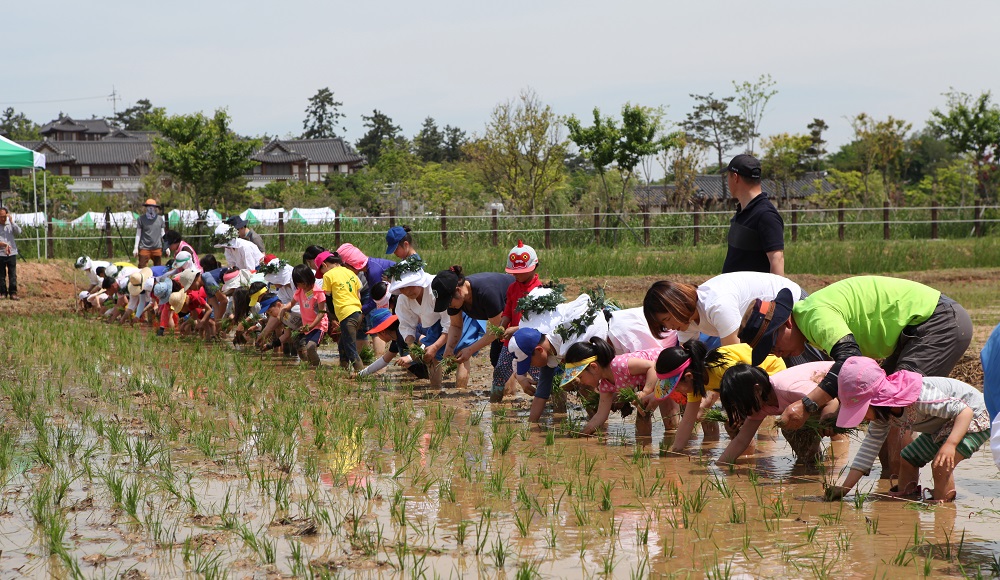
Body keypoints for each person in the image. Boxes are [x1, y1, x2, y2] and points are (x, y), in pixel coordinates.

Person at [738, 276, 973, 477]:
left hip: (936, 322)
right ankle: (889, 481)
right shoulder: (810, 323)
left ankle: (901, 486)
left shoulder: (814, 316)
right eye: (769, 352)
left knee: (895, 406)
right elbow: (852, 369)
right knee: (882, 409)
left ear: (787, 322)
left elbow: (849, 359)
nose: (777, 353)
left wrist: (808, 404)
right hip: (913, 331)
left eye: (773, 344)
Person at [824, 357, 990, 504]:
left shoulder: (919, 398)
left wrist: (950, 444)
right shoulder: (882, 415)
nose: (860, 418)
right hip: (943, 425)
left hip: (974, 416)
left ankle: (944, 509)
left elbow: (964, 412)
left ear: (876, 400)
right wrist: (845, 488)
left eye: (859, 410)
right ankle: (906, 501)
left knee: (940, 465)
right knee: (909, 458)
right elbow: (868, 450)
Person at [648, 339, 786, 453]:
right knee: (734, 423)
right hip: (749, 388)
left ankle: (746, 461)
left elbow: (748, 385)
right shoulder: (696, 380)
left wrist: (740, 412)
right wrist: (676, 451)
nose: (676, 391)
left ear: (688, 376)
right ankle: (743, 459)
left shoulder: (721, 368)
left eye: (676, 386)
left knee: (736, 423)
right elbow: (687, 421)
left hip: (771, 374)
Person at [717, 361, 837, 464]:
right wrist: (720, 465)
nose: (740, 410)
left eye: (740, 403)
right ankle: (812, 466)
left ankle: (829, 462)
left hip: (844, 389)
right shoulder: (760, 404)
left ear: (757, 390)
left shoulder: (788, 389)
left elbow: (831, 400)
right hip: (821, 403)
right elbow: (741, 440)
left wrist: (826, 421)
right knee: (792, 429)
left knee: (790, 423)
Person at [643, 273, 802, 348]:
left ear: (677, 305)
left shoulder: (716, 305)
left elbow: (734, 355)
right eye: (664, 324)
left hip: (790, 304)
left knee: (810, 376)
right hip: (765, 323)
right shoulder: (685, 321)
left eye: (667, 319)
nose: (669, 327)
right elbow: (686, 359)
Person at [559, 337, 667, 437]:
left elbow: (652, 367)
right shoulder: (605, 385)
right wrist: (582, 434)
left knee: (667, 420)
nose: (581, 382)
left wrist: (645, 392)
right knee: (644, 412)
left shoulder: (619, 365)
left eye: (581, 376)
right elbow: (600, 415)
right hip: (655, 382)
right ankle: (645, 446)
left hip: (667, 368)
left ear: (593, 367)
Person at [432, 265, 512, 388]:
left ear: (458, 291)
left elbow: (497, 330)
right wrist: (449, 348)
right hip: (501, 320)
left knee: (503, 356)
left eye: (448, 302)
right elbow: (456, 325)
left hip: (517, 311)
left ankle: (509, 396)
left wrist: (470, 350)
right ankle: (506, 396)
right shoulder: (456, 301)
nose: (449, 306)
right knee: (497, 357)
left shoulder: (486, 293)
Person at [491, 240, 543, 402]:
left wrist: (514, 329)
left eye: (521, 272)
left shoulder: (539, 291)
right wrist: (502, 326)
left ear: (534, 267)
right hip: (510, 343)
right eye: (514, 272)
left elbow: (537, 322)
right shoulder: (512, 288)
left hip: (532, 343)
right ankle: (495, 401)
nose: (517, 275)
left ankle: (547, 401)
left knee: (539, 374)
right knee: (500, 370)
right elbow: (507, 311)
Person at [722, 154, 785, 275]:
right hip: (736, 292)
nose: (727, 182)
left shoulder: (765, 215)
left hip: (754, 294)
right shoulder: (743, 211)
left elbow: (777, 260)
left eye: (727, 177)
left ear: (735, 177)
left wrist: (778, 294)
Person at [315, 251, 364, 371]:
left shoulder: (328, 275)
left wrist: (333, 318)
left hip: (346, 314)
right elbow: (359, 296)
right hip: (357, 313)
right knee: (343, 343)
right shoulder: (351, 273)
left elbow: (329, 299)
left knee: (350, 347)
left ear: (324, 265)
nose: (322, 274)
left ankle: (361, 374)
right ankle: (343, 368)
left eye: (321, 271)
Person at [357, 308, 430, 380]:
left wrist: (409, 358)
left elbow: (428, 342)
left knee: (406, 362)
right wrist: (361, 374)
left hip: (437, 353)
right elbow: (384, 360)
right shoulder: (396, 339)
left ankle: (432, 377)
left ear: (383, 332)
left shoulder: (404, 332)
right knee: (405, 360)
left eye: (377, 334)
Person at [278, 264, 327, 366]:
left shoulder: (318, 292)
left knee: (310, 347)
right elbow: (292, 303)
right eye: (300, 284)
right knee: (306, 350)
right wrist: (285, 309)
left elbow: (322, 312)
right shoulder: (299, 291)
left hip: (319, 326)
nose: (303, 286)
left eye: (304, 283)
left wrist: (312, 326)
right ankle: (312, 369)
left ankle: (317, 369)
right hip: (306, 326)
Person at [134, 199, 166, 268]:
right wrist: (135, 247)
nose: (151, 208)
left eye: (152, 207)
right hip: (144, 247)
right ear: (146, 207)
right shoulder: (141, 219)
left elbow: (162, 233)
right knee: (141, 268)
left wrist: (166, 246)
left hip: (157, 247)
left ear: (155, 208)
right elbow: (138, 234)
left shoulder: (160, 219)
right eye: (149, 206)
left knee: (158, 268)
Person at [0, 208, 20, 300]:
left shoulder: (10, 225)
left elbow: (19, 232)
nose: (3, 218)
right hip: (1, 253)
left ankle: (13, 293)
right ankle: (3, 292)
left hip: (11, 253)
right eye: (1, 216)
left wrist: (12, 221)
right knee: (1, 274)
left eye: (4, 216)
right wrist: (2, 244)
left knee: (12, 274)